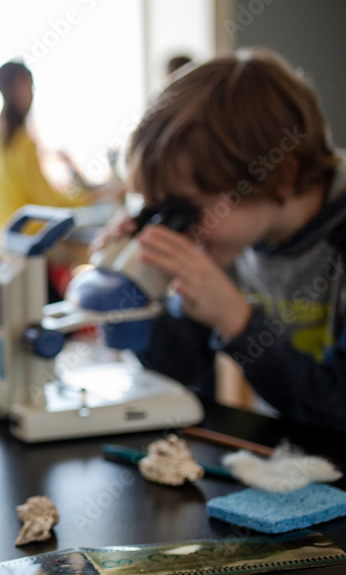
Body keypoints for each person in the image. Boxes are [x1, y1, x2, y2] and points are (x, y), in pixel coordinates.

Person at [101, 48, 346, 434]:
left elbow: (337, 409)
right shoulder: (238, 231)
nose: (178, 230)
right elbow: (181, 366)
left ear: (280, 177)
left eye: (187, 209)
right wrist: (142, 287)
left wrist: (239, 321)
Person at [0, 60, 121, 240]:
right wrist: (95, 196)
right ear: (20, 83)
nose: (32, 94)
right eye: (31, 86)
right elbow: (47, 201)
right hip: (30, 233)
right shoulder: (23, 143)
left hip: (5, 233)